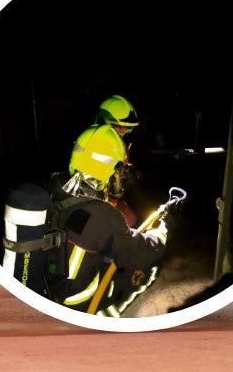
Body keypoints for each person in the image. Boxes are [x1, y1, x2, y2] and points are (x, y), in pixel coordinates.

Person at [43, 124, 167, 317]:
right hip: (75, 303)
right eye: (120, 170)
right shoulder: (102, 214)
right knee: (150, 265)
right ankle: (106, 318)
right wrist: (160, 234)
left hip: (49, 287)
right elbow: (139, 253)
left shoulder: (56, 187)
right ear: (109, 169)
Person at [95, 93, 140, 226]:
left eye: (127, 127)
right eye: (119, 126)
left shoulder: (121, 145)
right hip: (93, 197)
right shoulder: (96, 141)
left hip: (111, 196)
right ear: (104, 121)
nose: (124, 131)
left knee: (131, 219)